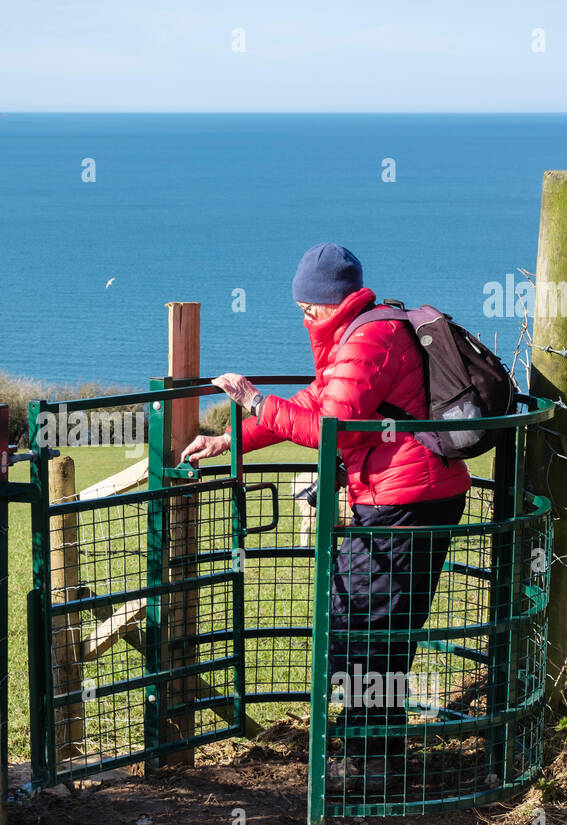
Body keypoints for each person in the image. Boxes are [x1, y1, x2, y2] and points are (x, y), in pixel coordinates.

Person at [179, 242, 471, 792]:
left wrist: (254, 401)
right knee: (366, 624)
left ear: (324, 302)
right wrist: (229, 440)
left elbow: (329, 431)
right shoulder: (361, 333)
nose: (302, 316)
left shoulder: (368, 338)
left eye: (305, 306)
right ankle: (372, 757)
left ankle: (373, 766)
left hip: (405, 500)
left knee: (364, 627)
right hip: (404, 495)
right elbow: (318, 404)